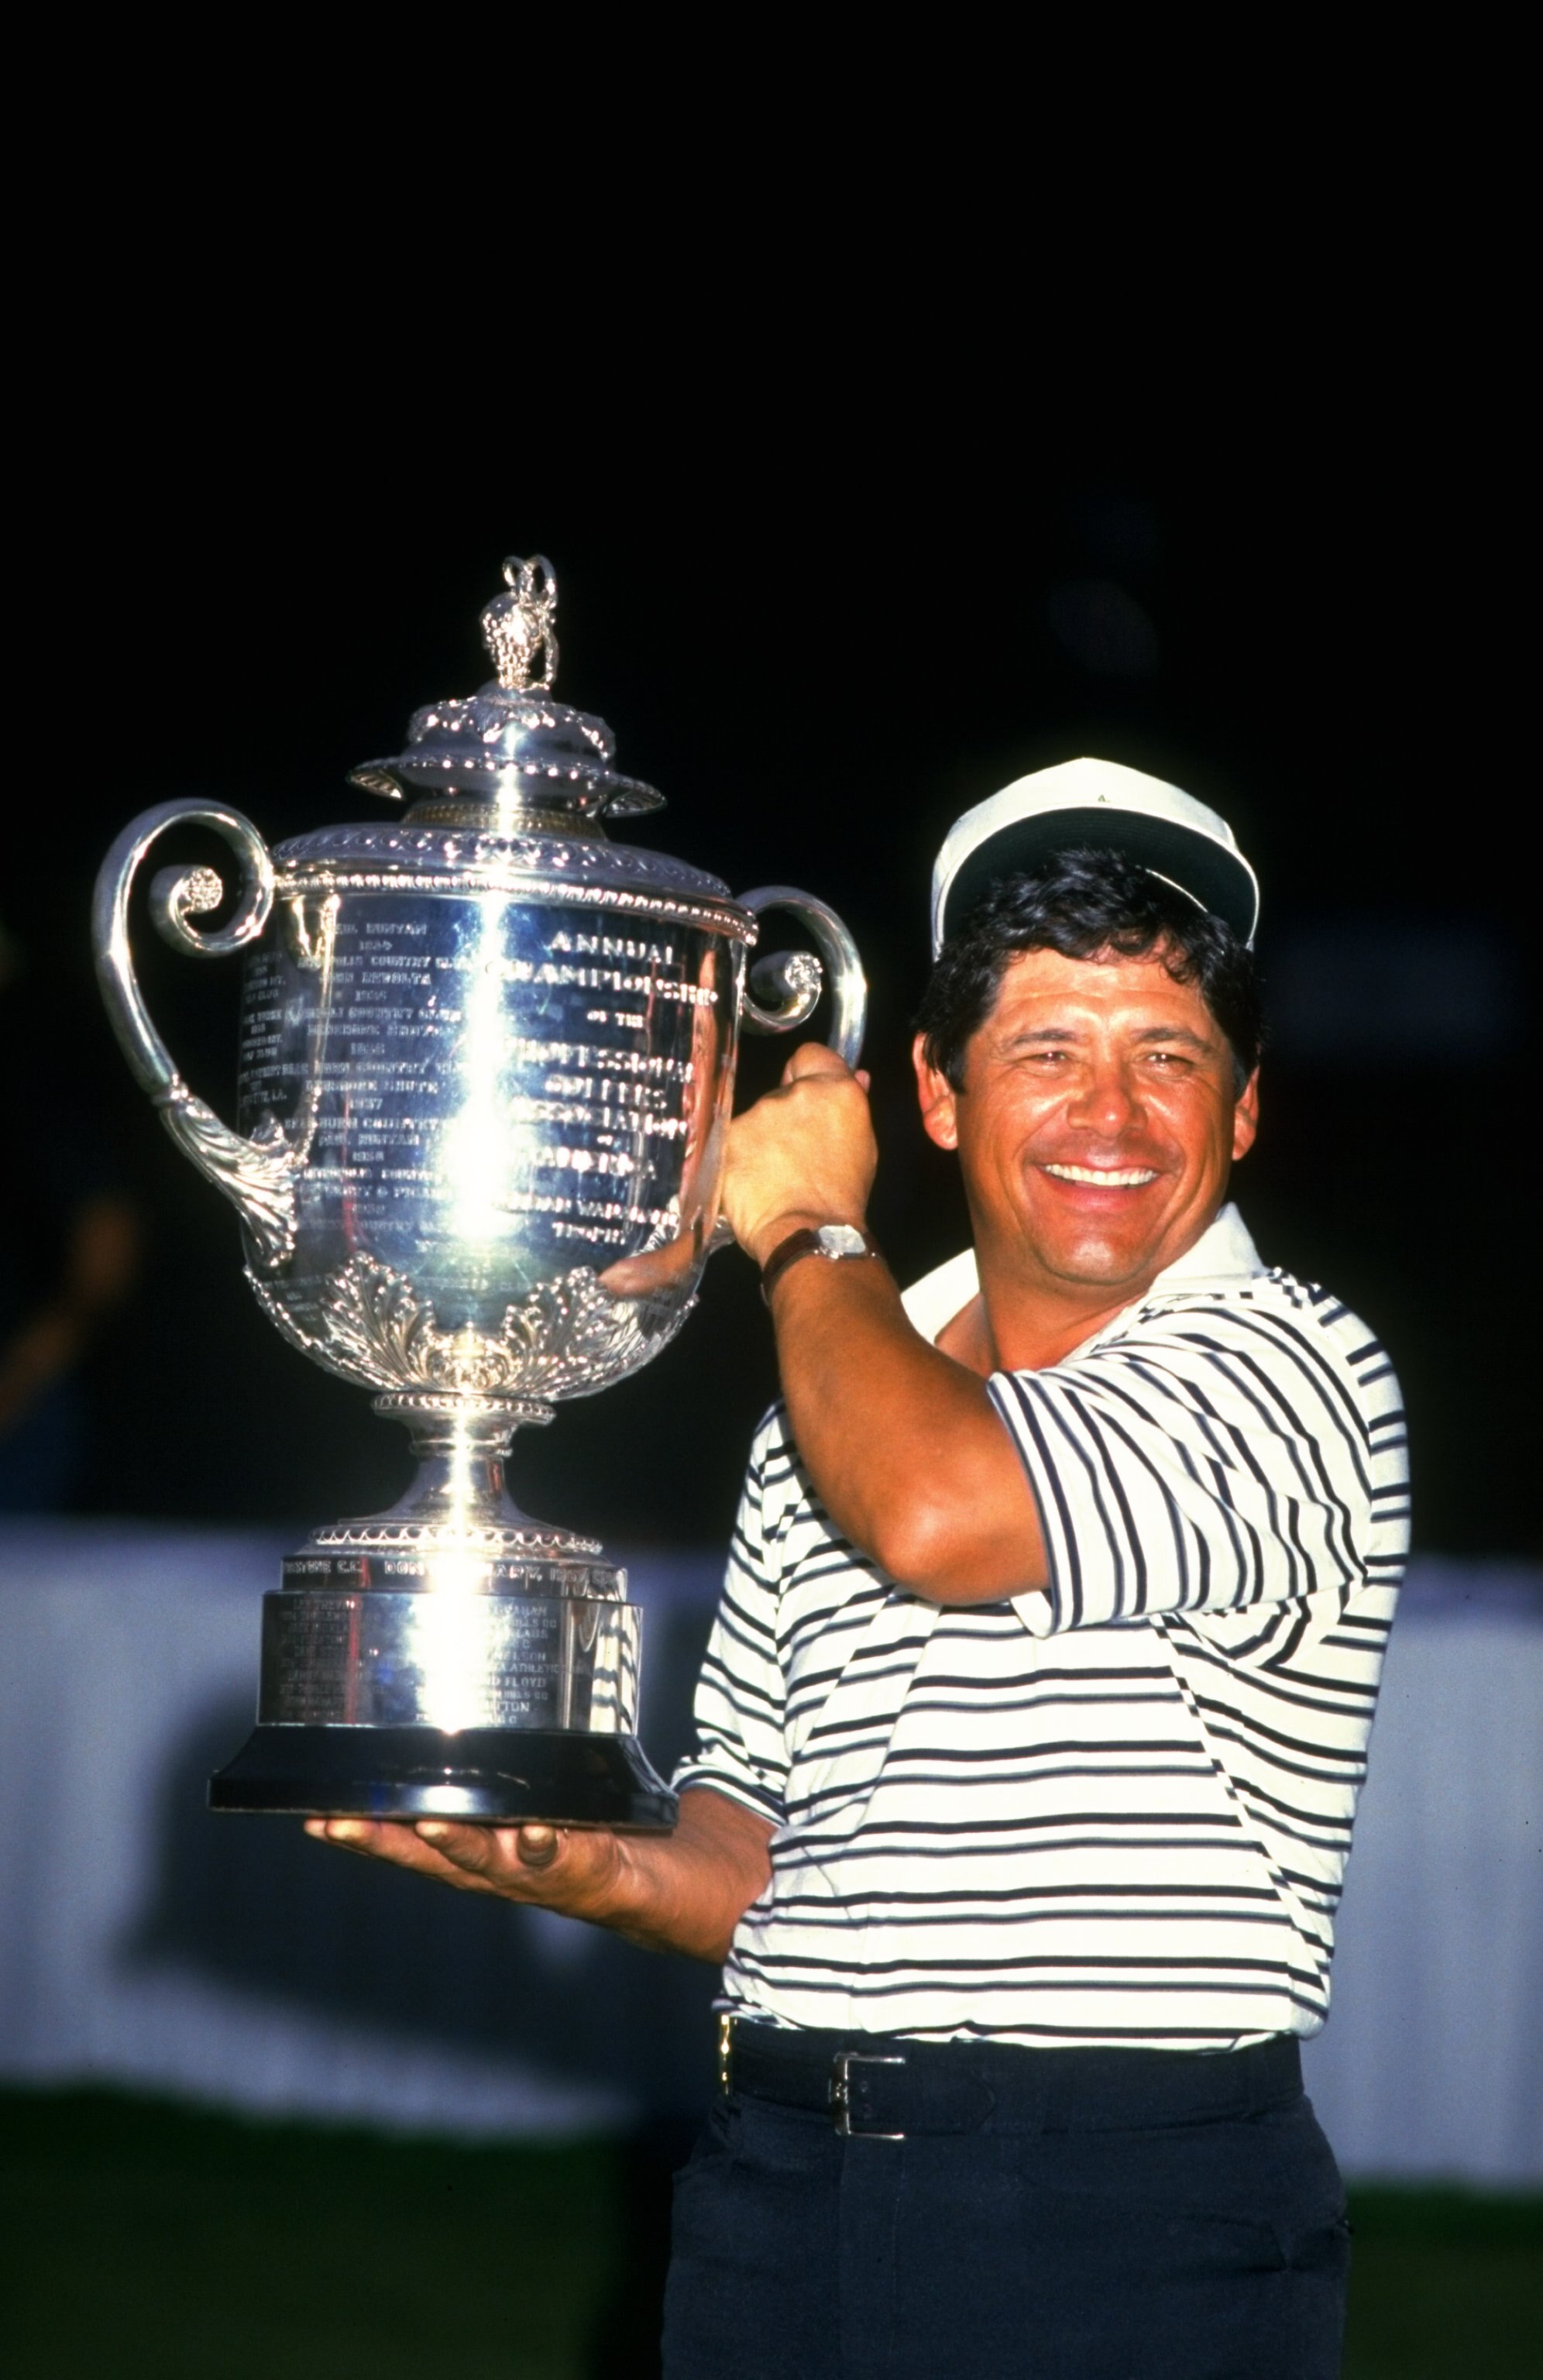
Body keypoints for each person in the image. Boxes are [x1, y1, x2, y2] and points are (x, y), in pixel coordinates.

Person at [308, 758, 1408, 2379]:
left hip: (1123, 2221)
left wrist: (811, 1232)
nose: (1109, 1116)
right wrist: (581, 1865)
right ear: (941, 1093)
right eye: (1046, 1049)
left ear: (1242, 1109)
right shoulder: (821, 1415)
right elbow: (762, 1849)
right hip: (779, 2192)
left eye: (1167, 1056)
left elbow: (939, 1515)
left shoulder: (1294, 1368)